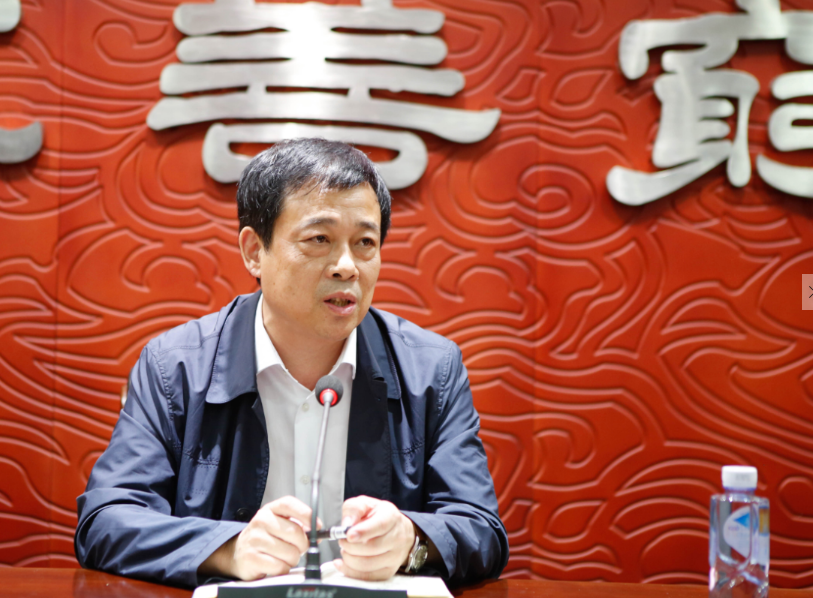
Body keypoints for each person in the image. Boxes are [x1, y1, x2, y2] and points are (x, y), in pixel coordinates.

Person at [75, 138, 509, 588]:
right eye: (319, 239)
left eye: (365, 242)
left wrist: (411, 541)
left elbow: (480, 528)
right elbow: (106, 521)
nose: (347, 267)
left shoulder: (431, 371)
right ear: (253, 251)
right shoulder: (176, 367)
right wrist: (229, 549)